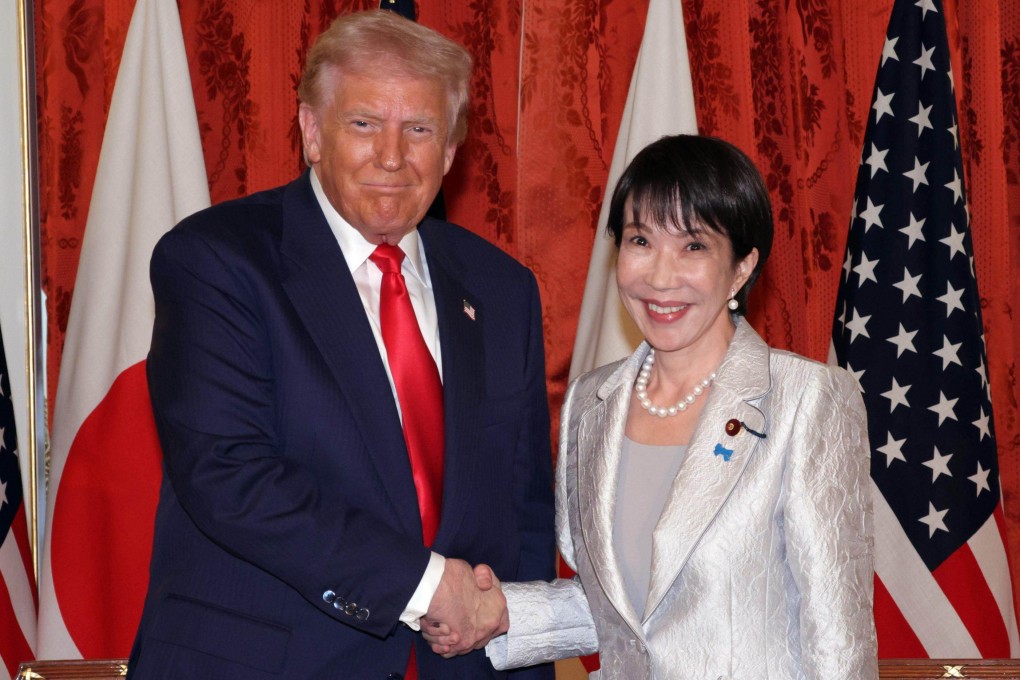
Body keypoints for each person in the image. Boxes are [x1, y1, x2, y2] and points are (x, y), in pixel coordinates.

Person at [127, 9, 555, 679]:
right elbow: (231, 475)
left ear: (448, 151)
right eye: (363, 124)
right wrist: (422, 586)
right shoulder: (216, 260)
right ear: (310, 133)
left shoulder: (502, 289)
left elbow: (524, 511)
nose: (392, 156)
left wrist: (516, 643)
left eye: (419, 129)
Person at [426, 135, 877, 678]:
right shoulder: (592, 405)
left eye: (693, 246)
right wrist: (497, 612)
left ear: (741, 267)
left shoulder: (808, 401)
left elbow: (838, 639)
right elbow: (619, 610)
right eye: (641, 241)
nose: (661, 277)